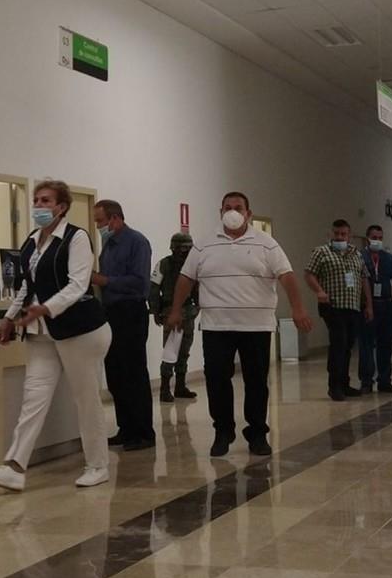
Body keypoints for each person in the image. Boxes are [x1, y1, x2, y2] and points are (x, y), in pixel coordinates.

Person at [0, 180, 112, 491]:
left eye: (46, 200)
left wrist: (46, 309)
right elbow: (27, 284)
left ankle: (97, 465)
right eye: (36, 200)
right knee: (33, 398)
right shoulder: (31, 241)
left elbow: (78, 285)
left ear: (61, 206)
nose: (38, 205)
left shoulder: (77, 238)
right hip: (42, 334)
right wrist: (9, 318)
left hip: (82, 331)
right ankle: (14, 467)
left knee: (86, 398)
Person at [166, 192, 314, 457]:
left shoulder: (266, 244)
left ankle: (257, 433)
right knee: (216, 381)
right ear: (219, 211)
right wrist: (176, 309)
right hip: (216, 327)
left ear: (248, 213)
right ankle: (223, 431)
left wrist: (298, 308)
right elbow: (186, 278)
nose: (232, 211)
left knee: (256, 381)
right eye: (227, 207)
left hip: (256, 327)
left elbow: (287, 276)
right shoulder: (204, 245)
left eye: (238, 207)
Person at [92, 199, 156, 451]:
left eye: (100, 220)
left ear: (115, 218)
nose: (98, 226)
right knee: (115, 372)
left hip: (131, 312)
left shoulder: (137, 242)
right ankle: (125, 428)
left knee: (133, 373)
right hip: (110, 313)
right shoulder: (108, 245)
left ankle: (143, 432)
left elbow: (140, 283)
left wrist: (104, 280)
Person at [304, 219, 373, 401]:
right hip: (332, 306)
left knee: (348, 346)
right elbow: (309, 274)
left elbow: (364, 279)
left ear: (349, 235)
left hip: (353, 306)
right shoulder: (321, 252)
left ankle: (344, 383)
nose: (340, 237)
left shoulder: (356, 254)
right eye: (337, 233)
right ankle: (334, 386)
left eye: (343, 234)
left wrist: (368, 305)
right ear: (331, 234)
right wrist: (319, 291)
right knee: (339, 344)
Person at [149, 233, 199, 403]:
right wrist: (155, 310)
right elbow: (154, 288)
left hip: (188, 313)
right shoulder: (164, 264)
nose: (183, 253)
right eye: (182, 249)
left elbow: (198, 288)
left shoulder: (193, 265)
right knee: (170, 352)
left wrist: (198, 306)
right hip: (171, 313)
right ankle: (164, 389)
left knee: (184, 351)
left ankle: (180, 386)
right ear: (174, 248)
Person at [359, 225, 392, 394]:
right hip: (367, 306)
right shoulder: (360, 257)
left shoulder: (388, 258)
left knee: (386, 343)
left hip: (387, 304)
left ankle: (385, 380)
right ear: (367, 238)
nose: (377, 240)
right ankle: (366, 381)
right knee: (366, 344)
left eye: (380, 237)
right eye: (374, 237)